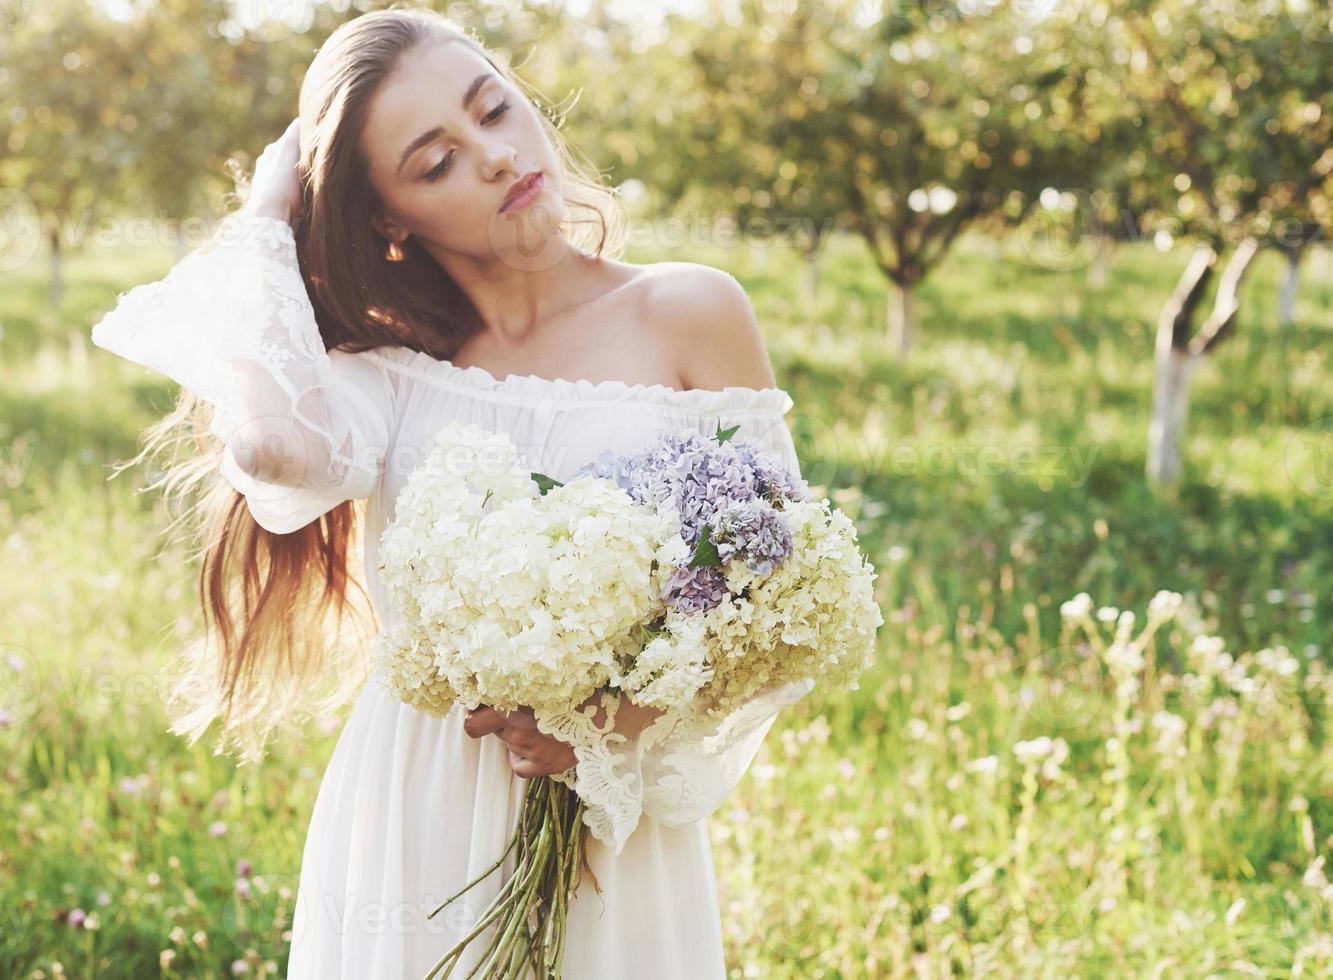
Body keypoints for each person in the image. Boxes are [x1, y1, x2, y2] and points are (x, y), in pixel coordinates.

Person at [91, 8, 813, 977]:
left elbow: (775, 586)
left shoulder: (689, 310)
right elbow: (266, 444)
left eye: (493, 109)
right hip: (414, 811)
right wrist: (265, 217)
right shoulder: (389, 374)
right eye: (433, 162)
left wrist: (609, 725)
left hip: (610, 815)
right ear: (389, 215)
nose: (493, 155)